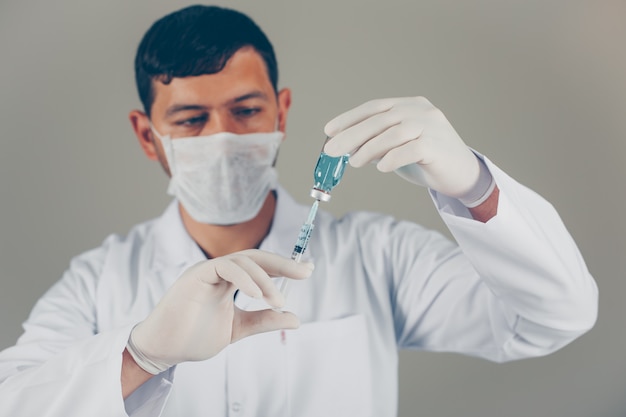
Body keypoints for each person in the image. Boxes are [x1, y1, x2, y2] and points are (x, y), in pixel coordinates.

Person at [0, 4, 598, 417]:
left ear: (282, 111)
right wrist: (141, 353)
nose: (222, 138)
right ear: (145, 133)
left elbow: (554, 317)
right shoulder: (98, 282)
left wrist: (473, 184)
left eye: (246, 110)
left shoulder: (377, 256)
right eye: (189, 119)